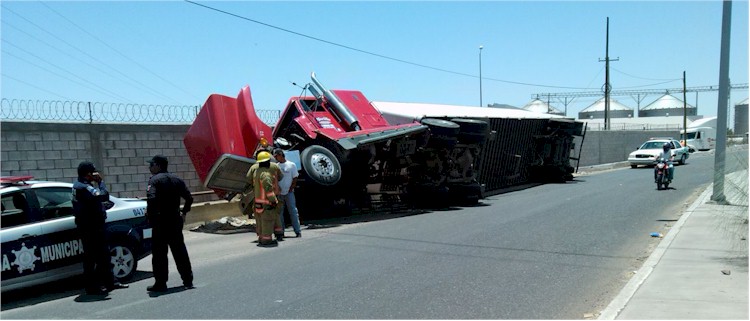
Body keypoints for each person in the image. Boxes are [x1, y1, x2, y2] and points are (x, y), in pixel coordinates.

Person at [72, 161, 128, 295]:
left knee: (104, 255)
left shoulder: (82, 184)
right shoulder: (83, 187)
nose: (96, 174)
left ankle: (111, 282)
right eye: (93, 172)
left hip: (93, 226)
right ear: (88, 174)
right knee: (91, 258)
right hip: (91, 228)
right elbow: (104, 196)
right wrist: (101, 182)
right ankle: (92, 287)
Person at [146, 155, 194, 292]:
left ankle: (160, 283)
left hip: (160, 222)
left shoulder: (154, 181)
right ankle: (188, 280)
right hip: (175, 219)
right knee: (180, 251)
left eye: (151, 165)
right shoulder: (177, 179)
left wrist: (151, 216)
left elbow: (152, 199)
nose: (150, 167)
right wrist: (184, 213)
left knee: (160, 254)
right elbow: (189, 198)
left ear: (158, 166)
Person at [246, 151, 284, 246]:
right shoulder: (271, 169)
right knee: (271, 218)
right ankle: (269, 238)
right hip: (269, 199)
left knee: (260, 220)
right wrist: (273, 200)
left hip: (258, 199)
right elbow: (271, 187)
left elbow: (248, 179)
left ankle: (261, 237)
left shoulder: (255, 169)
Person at [273, 149, 302, 238]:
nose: (275, 158)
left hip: (289, 193)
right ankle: (281, 231)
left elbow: (295, 177)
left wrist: (291, 188)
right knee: (280, 213)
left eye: (276, 156)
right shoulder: (276, 166)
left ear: (280, 155)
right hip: (280, 193)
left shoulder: (291, 165)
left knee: (293, 211)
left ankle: (297, 230)